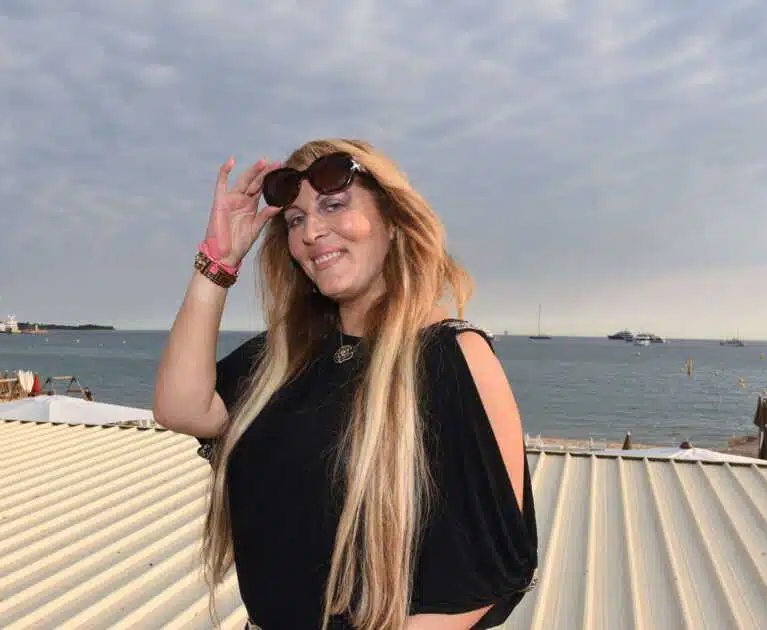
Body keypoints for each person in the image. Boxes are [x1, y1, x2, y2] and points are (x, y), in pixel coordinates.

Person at [153, 139, 538, 630]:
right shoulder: (283, 357)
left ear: (394, 222)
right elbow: (180, 408)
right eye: (294, 219)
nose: (312, 231)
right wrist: (217, 262)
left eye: (334, 205)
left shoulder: (453, 358)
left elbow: (485, 575)